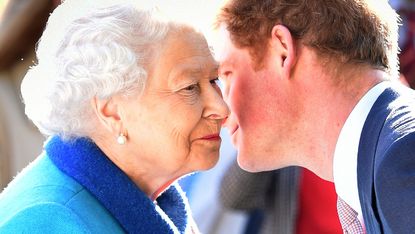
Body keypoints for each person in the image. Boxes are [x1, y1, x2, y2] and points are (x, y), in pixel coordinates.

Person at [0, 0, 229, 233]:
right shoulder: (47, 222)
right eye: (190, 87)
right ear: (112, 112)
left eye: (213, 81)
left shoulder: (160, 203)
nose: (222, 108)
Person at [212, 0, 415, 233]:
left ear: (282, 51)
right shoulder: (387, 157)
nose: (221, 110)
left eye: (227, 74)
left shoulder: (402, 157)